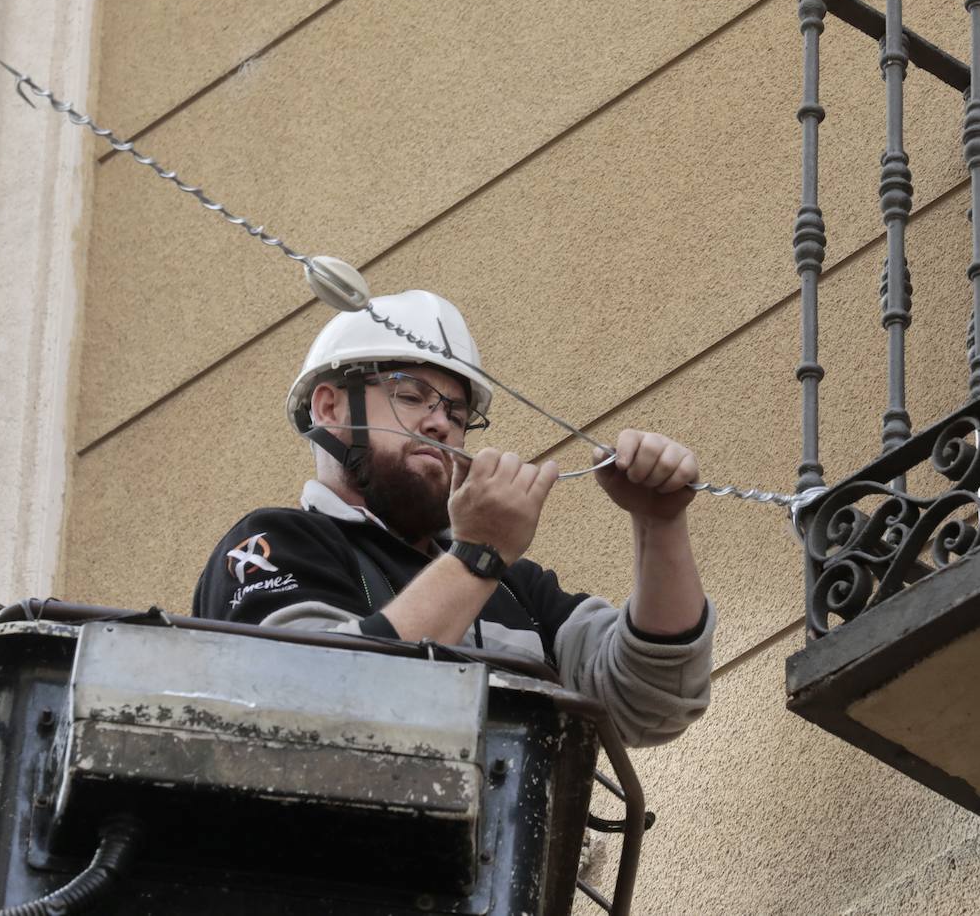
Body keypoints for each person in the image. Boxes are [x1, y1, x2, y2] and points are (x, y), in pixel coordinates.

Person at [194, 290, 713, 747]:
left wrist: (659, 523)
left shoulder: (512, 588)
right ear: (330, 407)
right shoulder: (274, 543)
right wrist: (477, 557)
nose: (440, 423)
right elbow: (310, 705)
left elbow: (653, 701)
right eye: (410, 395)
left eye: (458, 413)